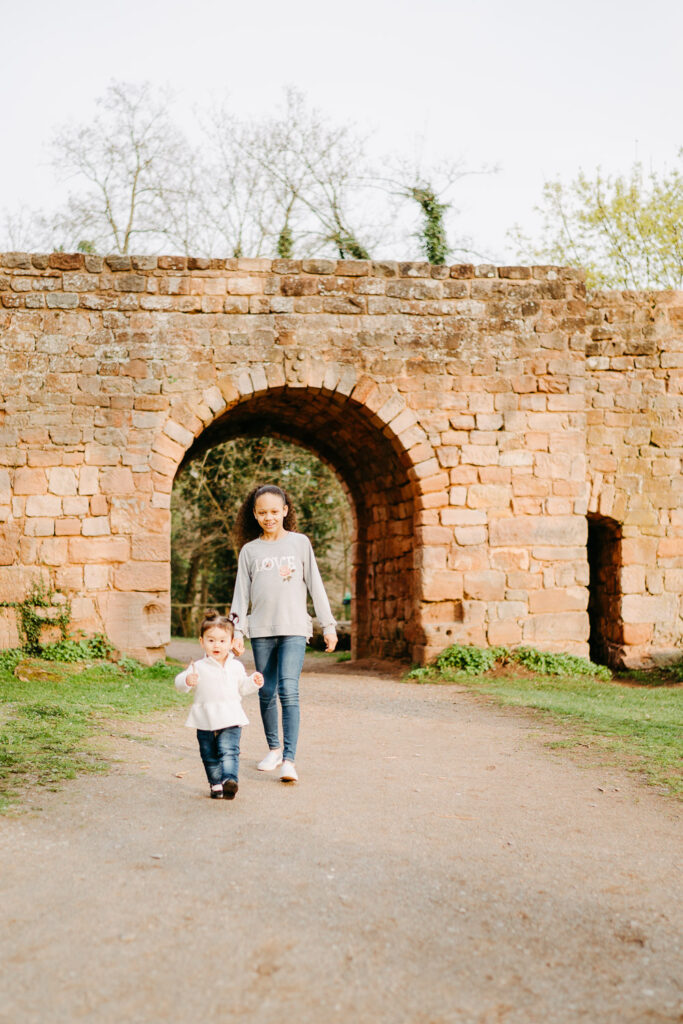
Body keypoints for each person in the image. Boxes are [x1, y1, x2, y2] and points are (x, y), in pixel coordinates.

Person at [230, 484, 338, 784]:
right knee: (266, 691)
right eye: (262, 512)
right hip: (261, 631)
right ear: (254, 514)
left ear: (285, 511)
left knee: (288, 690)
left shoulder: (300, 544)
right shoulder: (250, 551)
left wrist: (328, 626)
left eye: (275, 512)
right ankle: (274, 749)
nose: (269, 517)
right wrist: (236, 630)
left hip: (294, 629)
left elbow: (316, 586)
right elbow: (240, 595)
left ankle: (290, 760)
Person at [175, 609, 263, 800]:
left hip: (231, 716)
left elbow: (243, 688)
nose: (217, 645)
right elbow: (180, 683)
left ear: (232, 643)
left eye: (222, 641)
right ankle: (216, 784)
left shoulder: (235, 666)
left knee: (229, 751)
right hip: (205, 719)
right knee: (209, 755)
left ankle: (229, 781)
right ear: (202, 642)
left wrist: (253, 682)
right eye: (211, 640)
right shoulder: (198, 666)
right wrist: (187, 680)